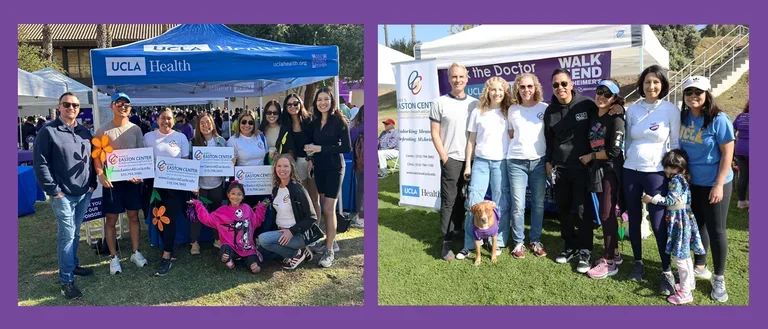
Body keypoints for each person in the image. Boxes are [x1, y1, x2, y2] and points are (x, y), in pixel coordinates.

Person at [623, 65, 681, 295]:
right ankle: (638, 262)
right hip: (630, 170)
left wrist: (673, 172)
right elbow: (627, 141)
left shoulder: (670, 109)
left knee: (658, 224)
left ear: (662, 85)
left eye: (656, 82)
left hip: (656, 173)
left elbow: (675, 144)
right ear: (641, 85)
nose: (651, 86)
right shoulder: (633, 109)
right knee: (634, 219)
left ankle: (666, 271)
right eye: (647, 82)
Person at [33, 92, 97, 299]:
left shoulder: (84, 132)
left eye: (75, 105)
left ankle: (73, 264)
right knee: (67, 236)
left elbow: (92, 159)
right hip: (63, 196)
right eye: (67, 104)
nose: (71, 108)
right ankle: (66, 280)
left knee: (75, 232)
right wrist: (54, 190)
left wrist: (93, 184)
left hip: (84, 192)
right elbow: (40, 163)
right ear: (59, 107)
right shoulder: (48, 131)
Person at [678, 75, 735, 303]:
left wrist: (719, 184)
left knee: (717, 229)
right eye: (689, 92)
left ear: (707, 94)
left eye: (698, 92)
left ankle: (719, 277)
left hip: (715, 182)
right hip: (693, 184)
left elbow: (728, 153)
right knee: (697, 226)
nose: (693, 96)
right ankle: (700, 265)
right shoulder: (682, 117)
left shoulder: (718, 119)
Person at [544, 69, 599, 274]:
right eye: (556, 85)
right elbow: (549, 140)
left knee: (583, 211)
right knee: (564, 209)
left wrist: (617, 107)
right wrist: (549, 162)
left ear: (572, 84)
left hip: (583, 168)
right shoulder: (550, 111)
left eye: (564, 84)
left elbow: (602, 121)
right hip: (559, 168)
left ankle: (585, 249)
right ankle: (570, 246)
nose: (561, 88)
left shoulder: (586, 104)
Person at [93, 92, 149, 275]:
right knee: (111, 220)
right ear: (111, 106)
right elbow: (97, 157)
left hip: (132, 182)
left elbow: (141, 155)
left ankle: (135, 252)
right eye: (119, 103)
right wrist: (100, 174)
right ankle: (113, 257)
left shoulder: (136, 129)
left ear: (130, 108)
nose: (123, 106)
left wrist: (141, 174)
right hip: (112, 182)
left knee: (134, 217)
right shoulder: (102, 130)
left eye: (127, 104)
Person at [641, 149, 706, 304]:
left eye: (672, 167)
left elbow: (671, 200)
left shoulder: (676, 181)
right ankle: (689, 283)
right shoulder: (682, 179)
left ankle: (685, 293)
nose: (668, 170)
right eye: (666, 167)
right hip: (683, 220)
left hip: (679, 223)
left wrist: (652, 200)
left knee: (680, 258)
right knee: (685, 255)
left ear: (680, 167)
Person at [457, 76, 511, 260]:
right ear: (487, 91)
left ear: (505, 92)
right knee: (473, 202)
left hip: (501, 162)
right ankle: (469, 244)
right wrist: (467, 165)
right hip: (480, 161)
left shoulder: (509, 112)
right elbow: (470, 141)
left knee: (500, 203)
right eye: (493, 89)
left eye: (501, 90)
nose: (497, 93)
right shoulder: (478, 111)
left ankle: (498, 241)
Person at [430, 63, 479, 261]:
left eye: (461, 76)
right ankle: (447, 241)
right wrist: (444, 157)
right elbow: (434, 133)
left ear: (467, 79)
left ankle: (460, 230)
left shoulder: (475, 104)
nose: (458, 80)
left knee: (464, 198)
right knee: (449, 201)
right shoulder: (439, 103)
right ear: (449, 79)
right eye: (454, 77)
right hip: (451, 158)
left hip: (472, 159)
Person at [583, 79, 626, 279]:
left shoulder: (616, 118)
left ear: (615, 98)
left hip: (610, 170)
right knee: (604, 213)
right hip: (596, 171)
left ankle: (609, 262)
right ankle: (615, 253)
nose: (602, 96)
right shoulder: (592, 112)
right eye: (599, 91)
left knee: (607, 214)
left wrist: (591, 156)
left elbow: (614, 151)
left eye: (607, 94)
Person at [305, 87, 352, 268]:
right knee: (325, 207)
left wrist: (321, 149)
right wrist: (310, 156)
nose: (322, 102)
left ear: (331, 101)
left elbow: (346, 147)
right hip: (320, 168)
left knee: (328, 208)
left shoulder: (339, 120)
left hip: (335, 167)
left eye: (325, 99)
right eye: (319, 100)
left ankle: (329, 249)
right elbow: (313, 144)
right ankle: (330, 241)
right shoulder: (315, 122)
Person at [505, 73, 549, 259]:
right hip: (516, 162)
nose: (526, 90)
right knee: (518, 205)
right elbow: (510, 133)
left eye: (529, 86)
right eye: (522, 87)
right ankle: (518, 242)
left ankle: (535, 240)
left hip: (539, 162)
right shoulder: (512, 109)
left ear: (536, 87)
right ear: (517, 89)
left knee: (538, 204)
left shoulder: (545, 108)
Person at [143, 108, 191, 276]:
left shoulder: (180, 137)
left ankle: (167, 255)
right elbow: (142, 160)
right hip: (154, 186)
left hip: (175, 187)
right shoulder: (148, 137)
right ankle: (168, 248)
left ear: (174, 120)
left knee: (169, 218)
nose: (166, 121)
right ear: (157, 119)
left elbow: (185, 162)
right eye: (163, 118)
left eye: (169, 118)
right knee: (159, 218)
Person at [188, 182, 266, 273]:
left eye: (239, 194)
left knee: (254, 268)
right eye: (233, 193)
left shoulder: (247, 208)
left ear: (243, 196)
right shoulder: (222, 211)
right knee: (224, 253)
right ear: (228, 195)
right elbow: (207, 219)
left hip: (246, 247)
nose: (236, 197)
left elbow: (255, 222)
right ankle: (229, 259)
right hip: (230, 246)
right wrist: (198, 204)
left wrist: (261, 208)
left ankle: (252, 260)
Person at [258, 155, 317, 270]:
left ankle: (297, 253)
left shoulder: (298, 189)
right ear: (275, 168)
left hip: (297, 234)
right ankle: (300, 251)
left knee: (263, 239)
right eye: (279, 166)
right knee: (263, 251)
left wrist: (291, 231)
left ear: (292, 168)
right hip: (281, 232)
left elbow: (312, 217)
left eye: (286, 166)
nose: (282, 169)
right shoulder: (276, 189)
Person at [276, 94, 322, 226]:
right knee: (303, 198)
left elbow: (316, 141)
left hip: (311, 162)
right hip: (295, 164)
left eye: (295, 103)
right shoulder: (285, 125)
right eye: (289, 104)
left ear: (300, 103)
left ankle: (316, 229)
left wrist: (312, 159)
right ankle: (305, 228)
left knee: (314, 198)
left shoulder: (310, 120)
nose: (293, 107)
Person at [189, 113, 230, 254]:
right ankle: (195, 243)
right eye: (202, 123)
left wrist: (231, 162)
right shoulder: (193, 142)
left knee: (216, 213)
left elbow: (228, 162)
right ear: (198, 126)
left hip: (217, 184)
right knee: (196, 215)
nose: (205, 126)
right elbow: (190, 165)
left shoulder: (221, 141)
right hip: (200, 186)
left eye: (208, 122)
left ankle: (217, 238)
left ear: (212, 124)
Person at [228, 110, 269, 208]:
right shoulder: (233, 141)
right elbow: (229, 166)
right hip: (243, 185)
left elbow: (266, 157)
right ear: (239, 123)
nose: (247, 125)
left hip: (261, 184)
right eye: (244, 122)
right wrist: (231, 163)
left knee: (260, 215)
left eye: (250, 122)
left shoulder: (261, 137)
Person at [350, 105, 365, 228]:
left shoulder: (354, 128)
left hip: (357, 162)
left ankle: (359, 215)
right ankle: (362, 217)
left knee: (360, 189)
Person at [733, 101, 749, 209]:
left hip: (740, 148)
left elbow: (731, 131)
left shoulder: (740, 117)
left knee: (743, 176)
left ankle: (742, 201)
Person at [260, 100, 282, 165]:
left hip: (280, 167)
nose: (272, 115)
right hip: (264, 167)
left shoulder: (284, 130)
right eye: (269, 112)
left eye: (275, 113)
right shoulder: (261, 130)